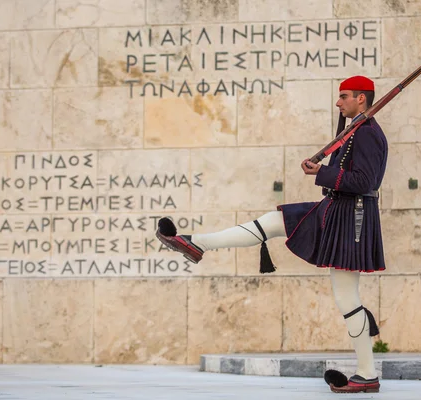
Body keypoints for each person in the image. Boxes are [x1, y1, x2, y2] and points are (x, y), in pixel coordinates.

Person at [156, 75, 388, 394]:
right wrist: (325, 170)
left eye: (344, 97)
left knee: (348, 300)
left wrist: (322, 172)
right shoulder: (356, 130)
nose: (338, 102)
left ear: (361, 99)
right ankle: (195, 243)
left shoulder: (369, 134)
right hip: (335, 211)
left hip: (351, 219)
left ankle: (367, 373)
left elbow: (364, 181)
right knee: (272, 220)